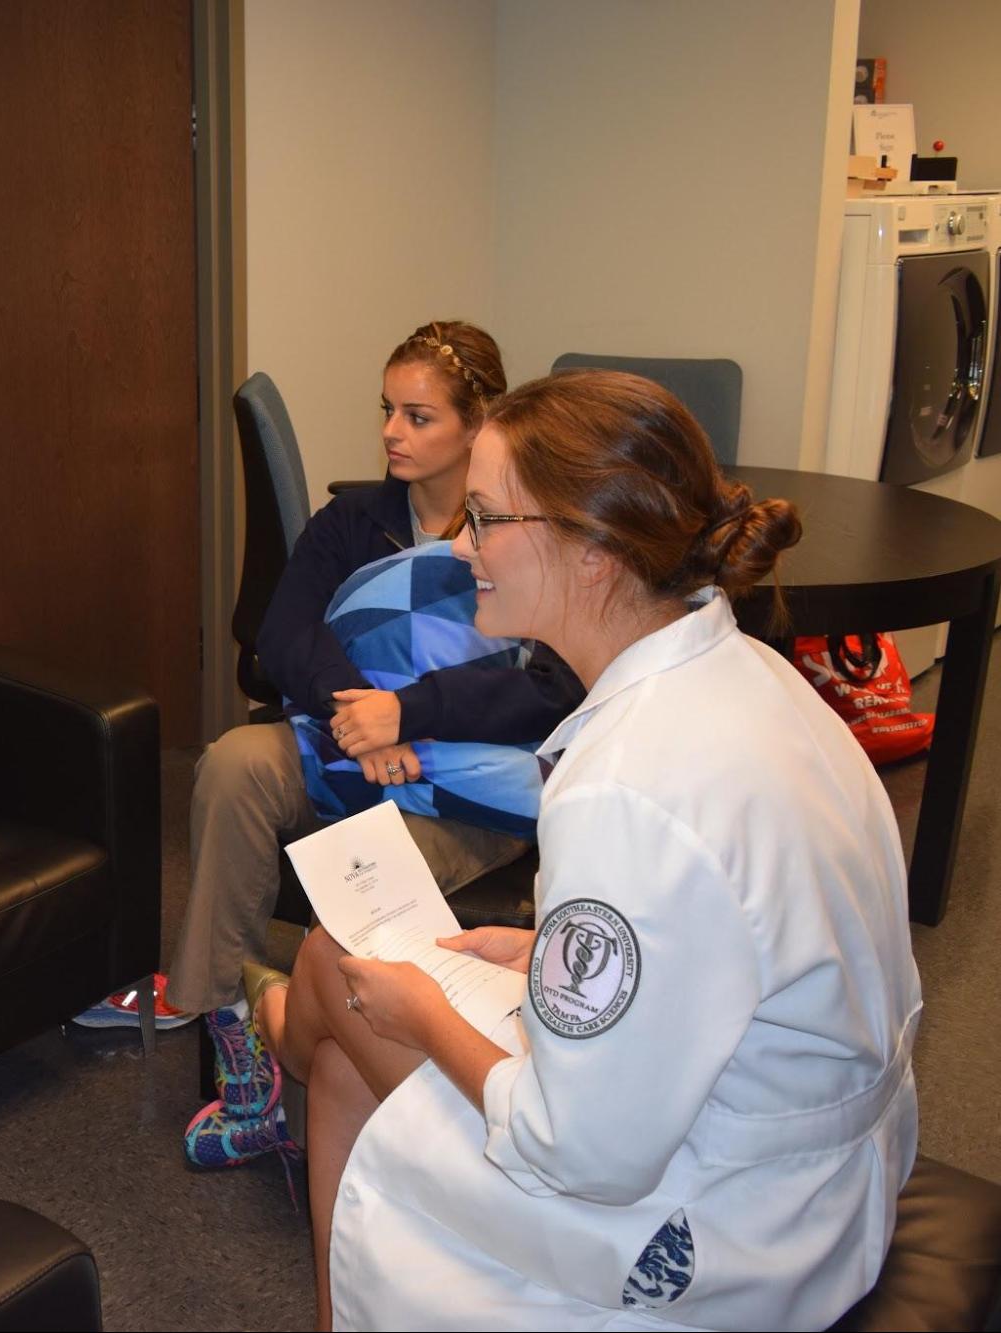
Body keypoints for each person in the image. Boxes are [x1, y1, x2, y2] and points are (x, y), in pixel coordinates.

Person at [256, 370, 922, 1329]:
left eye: (483, 519)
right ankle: (295, 1032)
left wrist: (424, 1015)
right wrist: (547, 955)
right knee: (339, 987)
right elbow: (738, 932)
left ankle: (286, 1032)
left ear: (592, 553)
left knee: (349, 989)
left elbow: (576, 1152)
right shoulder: (761, 684)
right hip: (829, 1177)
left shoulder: (622, 788)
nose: (459, 546)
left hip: (720, 1231)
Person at [149, 322, 583, 1161]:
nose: (391, 432)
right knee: (234, 762)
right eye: (387, 410)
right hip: (344, 737)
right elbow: (282, 632)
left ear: (477, 420)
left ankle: (346, 1076)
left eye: (417, 416)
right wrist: (361, 715)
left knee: (364, 866)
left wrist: (409, 714)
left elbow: (552, 685)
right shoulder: (352, 519)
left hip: (460, 774)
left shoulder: (527, 526)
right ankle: (231, 1022)